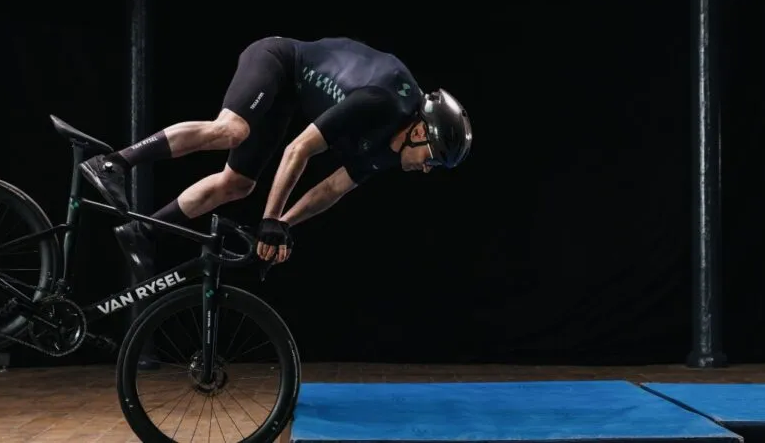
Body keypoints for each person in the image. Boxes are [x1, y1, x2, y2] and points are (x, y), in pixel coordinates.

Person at [79, 36, 473, 281]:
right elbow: (298, 149)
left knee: (237, 184)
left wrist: (282, 225)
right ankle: (115, 162)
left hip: (289, 96)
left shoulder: (393, 151)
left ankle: (144, 233)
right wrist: (268, 219)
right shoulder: (382, 103)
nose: (426, 168)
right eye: (432, 159)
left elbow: (333, 188)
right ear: (421, 131)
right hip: (278, 60)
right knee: (231, 130)